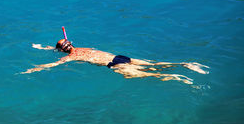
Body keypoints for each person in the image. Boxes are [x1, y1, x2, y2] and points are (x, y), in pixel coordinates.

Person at [21, 39, 209, 84]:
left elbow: (53, 64)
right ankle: (185, 64)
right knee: (155, 63)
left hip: (114, 65)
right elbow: (57, 50)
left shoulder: (72, 57)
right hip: (118, 56)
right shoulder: (81, 48)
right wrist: (42, 48)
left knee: (150, 74)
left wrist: (34, 70)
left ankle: (178, 76)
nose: (66, 45)